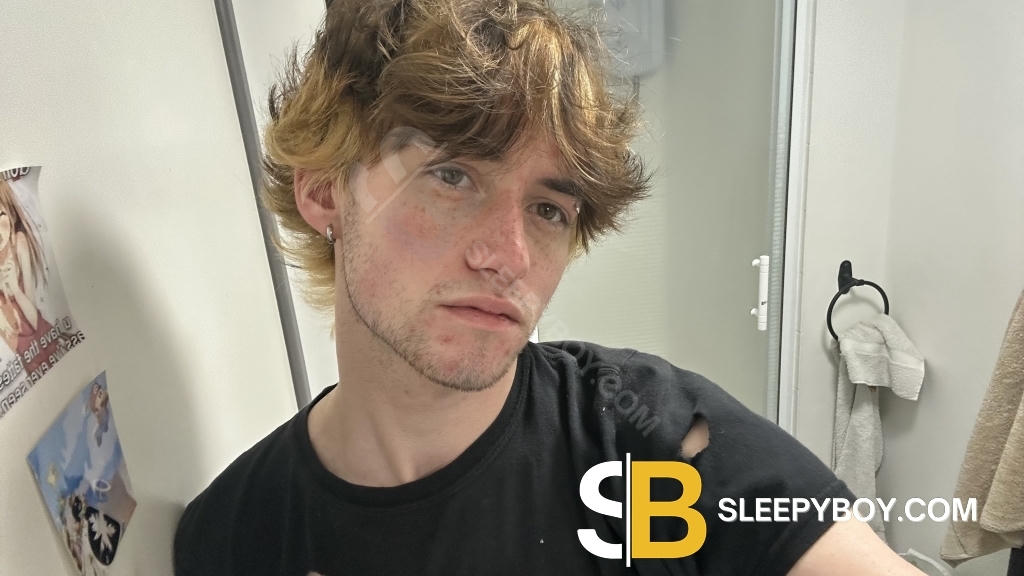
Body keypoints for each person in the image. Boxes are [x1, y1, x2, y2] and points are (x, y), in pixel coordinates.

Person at [174, 1, 925, 574]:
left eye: (548, 210)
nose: (510, 257)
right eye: (452, 175)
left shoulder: (652, 441)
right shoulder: (234, 534)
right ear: (323, 190)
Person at [0, 177, 62, 380]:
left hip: (43, 334)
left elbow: (35, 320)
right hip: (23, 352)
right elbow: (8, 334)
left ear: (9, 213)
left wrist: (14, 290)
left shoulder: (19, 243)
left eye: (0, 214)